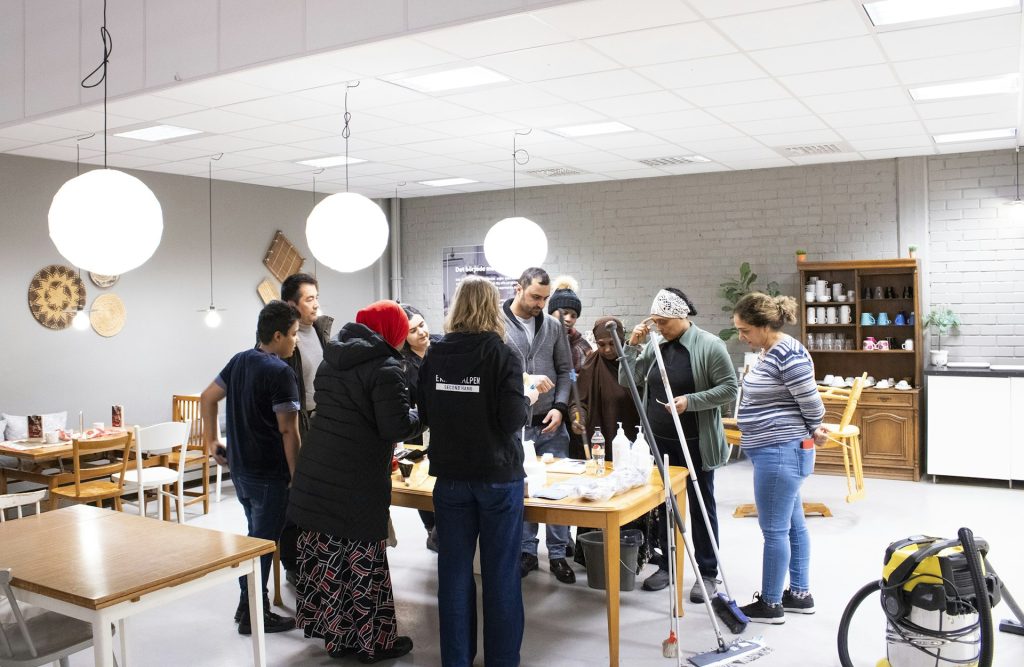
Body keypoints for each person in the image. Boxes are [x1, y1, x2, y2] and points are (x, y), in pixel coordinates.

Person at [287, 300, 422, 662]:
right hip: (355, 480)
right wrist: (421, 413)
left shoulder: (334, 359)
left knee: (330, 560)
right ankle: (372, 643)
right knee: (363, 561)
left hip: (318, 473)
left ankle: (338, 639)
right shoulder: (386, 366)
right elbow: (395, 426)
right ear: (393, 331)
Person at [417, 276, 538, 667]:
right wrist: (529, 395)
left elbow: (426, 413)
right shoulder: (503, 355)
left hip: (450, 476)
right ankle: (502, 661)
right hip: (497, 476)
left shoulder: (434, 355)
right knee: (500, 574)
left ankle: (456, 660)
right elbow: (511, 420)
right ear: (492, 307)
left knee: (453, 573)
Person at [620, 288, 738, 599]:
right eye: (655, 322)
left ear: (680, 317)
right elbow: (627, 381)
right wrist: (633, 346)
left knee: (700, 506)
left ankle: (708, 572)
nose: (658, 328)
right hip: (659, 440)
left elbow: (729, 389)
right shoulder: (656, 345)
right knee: (664, 505)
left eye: (663, 322)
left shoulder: (710, 346)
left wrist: (691, 401)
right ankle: (668, 565)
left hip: (696, 440)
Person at [199, 300, 301, 636]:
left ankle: (247, 606)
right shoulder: (280, 372)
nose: (296, 340)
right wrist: (296, 476)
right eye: (294, 334)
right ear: (277, 335)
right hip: (270, 475)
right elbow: (289, 431)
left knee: (255, 538)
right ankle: (253, 614)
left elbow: (207, 397)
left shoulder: (240, 361)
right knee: (262, 544)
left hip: (241, 472)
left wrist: (211, 440)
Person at [733, 292, 828, 624]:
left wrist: (816, 426)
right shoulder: (769, 351)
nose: (742, 337)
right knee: (793, 525)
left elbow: (811, 401)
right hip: (777, 450)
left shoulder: (789, 353)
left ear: (763, 326)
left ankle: (770, 604)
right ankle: (800, 595)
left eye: (745, 330)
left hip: (781, 451)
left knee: (774, 530)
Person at [501, 266, 575, 585]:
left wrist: (560, 407)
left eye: (545, 298)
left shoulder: (554, 327)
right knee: (524, 490)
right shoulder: (497, 322)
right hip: (517, 423)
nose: (539, 304)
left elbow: (566, 371)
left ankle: (558, 554)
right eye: (535, 297)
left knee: (557, 489)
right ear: (518, 288)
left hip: (550, 422)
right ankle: (527, 551)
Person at [279, 272, 333, 584]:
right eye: (308, 299)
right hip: (299, 423)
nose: (315, 304)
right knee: (297, 494)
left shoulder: (322, 333)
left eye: (316, 297)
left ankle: (315, 559)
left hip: (322, 422)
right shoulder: (286, 338)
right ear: (292, 304)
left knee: (318, 497)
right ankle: (293, 563)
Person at [399, 303, 442, 552]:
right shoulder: (403, 364)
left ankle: (440, 531)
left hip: (445, 427)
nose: (421, 332)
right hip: (418, 430)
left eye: (422, 325)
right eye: (413, 330)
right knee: (420, 484)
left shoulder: (442, 346)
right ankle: (431, 530)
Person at [547, 275, 593, 460]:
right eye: (563, 312)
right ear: (551, 312)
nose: (568, 318)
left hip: (573, 414)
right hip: (546, 413)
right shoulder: (542, 341)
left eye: (573, 315)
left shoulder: (582, 346)